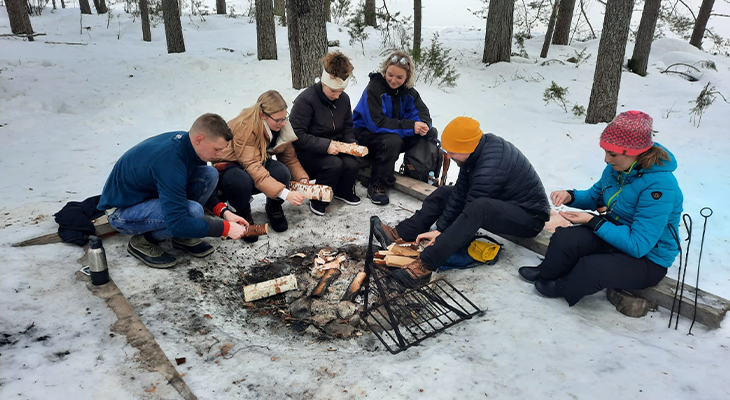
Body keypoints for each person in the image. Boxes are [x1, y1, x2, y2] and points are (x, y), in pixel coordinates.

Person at [518, 111, 683, 306]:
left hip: (648, 258)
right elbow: (595, 196)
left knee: (592, 267)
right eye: (605, 152)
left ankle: (563, 287)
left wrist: (591, 220)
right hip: (617, 233)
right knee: (566, 238)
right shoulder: (619, 168)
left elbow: (638, 245)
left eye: (612, 154)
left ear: (634, 153)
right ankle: (547, 271)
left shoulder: (660, 187)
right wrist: (570, 196)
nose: (606, 159)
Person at [373, 116, 551, 285]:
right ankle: (402, 233)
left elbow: (469, 212)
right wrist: (442, 228)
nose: (449, 157)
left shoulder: (490, 167)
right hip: (503, 203)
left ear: (468, 147)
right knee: (445, 193)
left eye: (453, 152)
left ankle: (426, 264)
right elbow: (460, 191)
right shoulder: (477, 151)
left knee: (480, 208)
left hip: (528, 218)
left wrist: (443, 234)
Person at [98, 113, 249, 269]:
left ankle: (184, 235)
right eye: (217, 149)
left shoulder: (189, 144)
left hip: (150, 194)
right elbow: (177, 222)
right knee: (192, 213)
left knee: (209, 174)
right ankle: (143, 242)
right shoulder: (170, 162)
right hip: (122, 211)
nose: (220, 154)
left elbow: (204, 189)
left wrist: (225, 213)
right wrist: (225, 228)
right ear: (199, 139)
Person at [215, 90, 309, 242]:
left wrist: (302, 179)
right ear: (262, 114)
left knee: (282, 172)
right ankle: (242, 213)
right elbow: (252, 166)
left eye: (284, 118)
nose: (283, 123)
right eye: (278, 120)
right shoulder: (245, 127)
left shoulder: (280, 125)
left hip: (256, 160)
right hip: (230, 166)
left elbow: (289, 158)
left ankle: (274, 207)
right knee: (241, 181)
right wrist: (285, 193)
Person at [352, 50, 436, 205]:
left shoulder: (409, 93)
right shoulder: (374, 88)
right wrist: (411, 126)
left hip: (392, 133)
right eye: (390, 74)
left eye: (399, 77)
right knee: (392, 140)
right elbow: (376, 123)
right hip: (364, 134)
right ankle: (377, 183)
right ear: (385, 71)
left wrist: (422, 125)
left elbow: (422, 112)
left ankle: (418, 172)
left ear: (407, 78)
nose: (393, 80)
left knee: (430, 132)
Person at [290, 51, 361, 216]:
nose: (337, 96)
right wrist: (325, 146)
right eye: (333, 91)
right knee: (333, 164)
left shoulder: (344, 99)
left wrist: (350, 142)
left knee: (352, 163)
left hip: (334, 146)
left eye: (340, 91)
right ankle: (319, 199)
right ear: (324, 83)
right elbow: (296, 135)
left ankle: (342, 191)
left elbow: (348, 126)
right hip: (308, 151)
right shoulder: (306, 100)